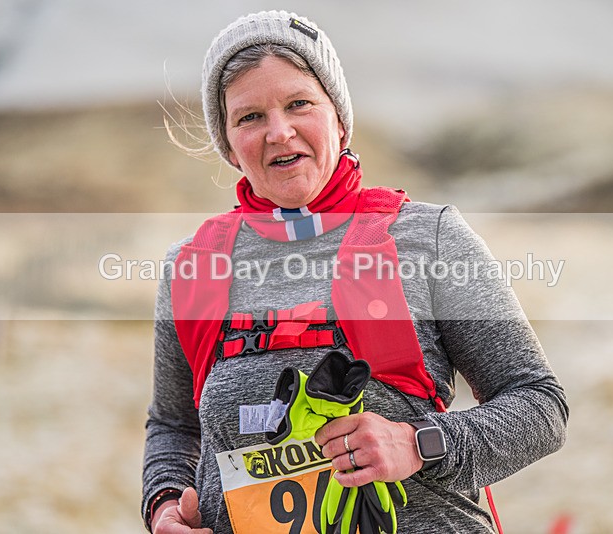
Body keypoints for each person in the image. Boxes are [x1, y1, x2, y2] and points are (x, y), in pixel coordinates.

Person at [142, 10, 568, 534]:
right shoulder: (192, 266)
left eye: (299, 104)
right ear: (229, 146)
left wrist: (418, 444)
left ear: (339, 118)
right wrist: (163, 507)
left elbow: (541, 407)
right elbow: (172, 425)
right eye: (249, 117)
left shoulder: (427, 238)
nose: (279, 132)